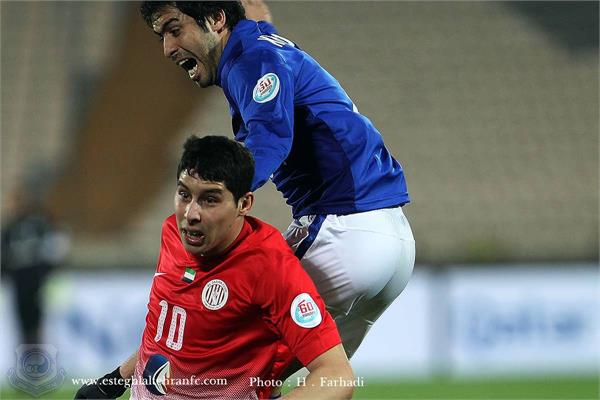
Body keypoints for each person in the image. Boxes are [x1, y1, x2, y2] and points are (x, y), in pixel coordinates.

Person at [139, 0, 416, 368]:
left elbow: (270, 140)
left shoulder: (252, 59)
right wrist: (260, 24)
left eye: (175, 30)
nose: (168, 48)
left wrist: (213, 197)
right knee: (318, 383)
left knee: (209, 363)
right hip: (392, 243)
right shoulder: (260, 48)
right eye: (162, 36)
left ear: (217, 20)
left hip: (343, 233)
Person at [74, 136, 354, 399]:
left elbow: (337, 375)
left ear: (244, 203)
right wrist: (112, 382)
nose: (191, 214)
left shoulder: (270, 266)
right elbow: (169, 335)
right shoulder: (173, 231)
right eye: (184, 195)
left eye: (210, 199)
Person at [2, 188, 70, 344]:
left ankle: (37, 356)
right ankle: (26, 357)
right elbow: (4, 257)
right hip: (19, 282)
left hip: (36, 280)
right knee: (22, 320)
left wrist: (50, 269)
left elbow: (53, 246)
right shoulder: (9, 229)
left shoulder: (38, 224)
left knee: (37, 320)